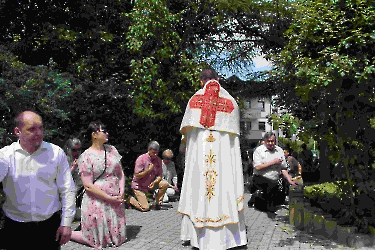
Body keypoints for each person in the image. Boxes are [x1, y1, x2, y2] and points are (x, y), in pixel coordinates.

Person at [178, 69, 247, 249]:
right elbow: (234, 141)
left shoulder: (194, 101)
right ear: (218, 79)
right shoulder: (231, 102)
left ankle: (197, 237)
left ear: (202, 81)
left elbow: (186, 137)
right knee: (225, 186)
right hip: (223, 156)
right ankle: (230, 239)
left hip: (200, 155)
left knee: (199, 187)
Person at [0, 110, 76, 249]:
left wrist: (66, 223)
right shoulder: (5, 156)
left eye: (40, 127)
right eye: (32, 129)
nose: (39, 133)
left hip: (49, 226)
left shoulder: (56, 153)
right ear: (18, 131)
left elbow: (67, 189)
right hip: (15, 227)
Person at [70, 122, 126, 249]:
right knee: (96, 240)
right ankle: (68, 233)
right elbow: (88, 186)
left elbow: (120, 174)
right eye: (104, 131)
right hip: (97, 201)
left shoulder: (112, 150)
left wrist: (121, 191)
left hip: (115, 200)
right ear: (94, 134)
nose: (107, 133)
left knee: (116, 238)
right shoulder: (86, 156)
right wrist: (109, 198)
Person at [248, 132, 297, 212]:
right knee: (269, 205)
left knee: (277, 198)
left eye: (272, 141)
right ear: (265, 141)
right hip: (260, 178)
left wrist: (289, 179)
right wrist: (273, 162)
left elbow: (283, 168)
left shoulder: (279, 151)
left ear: (275, 141)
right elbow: (257, 167)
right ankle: (263, 202)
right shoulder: (259, 151)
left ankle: (257, 197)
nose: (270, 143)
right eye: (268, 141)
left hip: (274, 180)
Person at [128, 141, 170, 211]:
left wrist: (154, 182)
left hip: (150, 184)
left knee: (165, 184)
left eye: (157, 152)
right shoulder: (141, 159)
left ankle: (157, 203)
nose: (156, 154)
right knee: (145, 208)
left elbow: (160, 176)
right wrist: (148, 170)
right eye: (154, 152)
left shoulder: (158, 160)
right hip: (139, 186)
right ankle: (130, 199)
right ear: (149, 150)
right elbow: (137, 175)